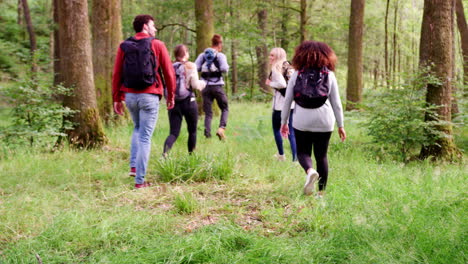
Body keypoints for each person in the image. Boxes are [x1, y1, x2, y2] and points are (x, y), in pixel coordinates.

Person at [112, 14, 176, 189]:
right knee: (145, 137)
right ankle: (140, 181)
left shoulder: (124, 46)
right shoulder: (157, 44)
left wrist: (116, 98)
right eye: (153, 25)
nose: (155, 29)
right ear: (146, 27)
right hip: (149, 96)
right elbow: (169, 73)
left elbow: (117, 73)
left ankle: (134, 167)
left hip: (130, 96)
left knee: (138, 129)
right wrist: (171, 96)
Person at [280, 41, 346, 198]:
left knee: (303, 152)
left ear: (300, 55)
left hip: (302, 119)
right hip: (325, 120)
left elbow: (288, 100)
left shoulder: (296, 74)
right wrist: (341, 125)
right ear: (326, 56)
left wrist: (284, 122)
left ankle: (310, 171)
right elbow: (337, 104)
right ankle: (321, 194)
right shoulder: (329, 75)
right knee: (321, 156)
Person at [163, 45, 206, 156]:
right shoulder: (191, 66)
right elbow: (195, 85)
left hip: (173, 103)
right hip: (189, 102)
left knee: (173, 133)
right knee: (192, 131)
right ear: (185, 54)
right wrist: (203, 83)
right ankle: (191, 157)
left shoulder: (169, 66)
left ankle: (165, 153)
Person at [195, 34, 229, 140]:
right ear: (220, 44)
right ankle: (221, 128)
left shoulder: (202, 55)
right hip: (217, 86)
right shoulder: (220, 56)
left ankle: (207, 134)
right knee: (225, 108)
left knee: (208, 112)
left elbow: (196, 67)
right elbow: (224, 68)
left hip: (205, 87)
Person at [266, 47, 297, 162]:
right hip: (292, 104)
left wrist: (270, 83)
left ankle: (281, 155)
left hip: (280, 106)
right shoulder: (290, 67)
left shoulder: (276, 68)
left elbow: (282, 84)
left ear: (278, 56)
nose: (270, 57)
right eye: (270, 55)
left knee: (276, 129)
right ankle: (295, 159)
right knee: (291, 132)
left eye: (272, 55)